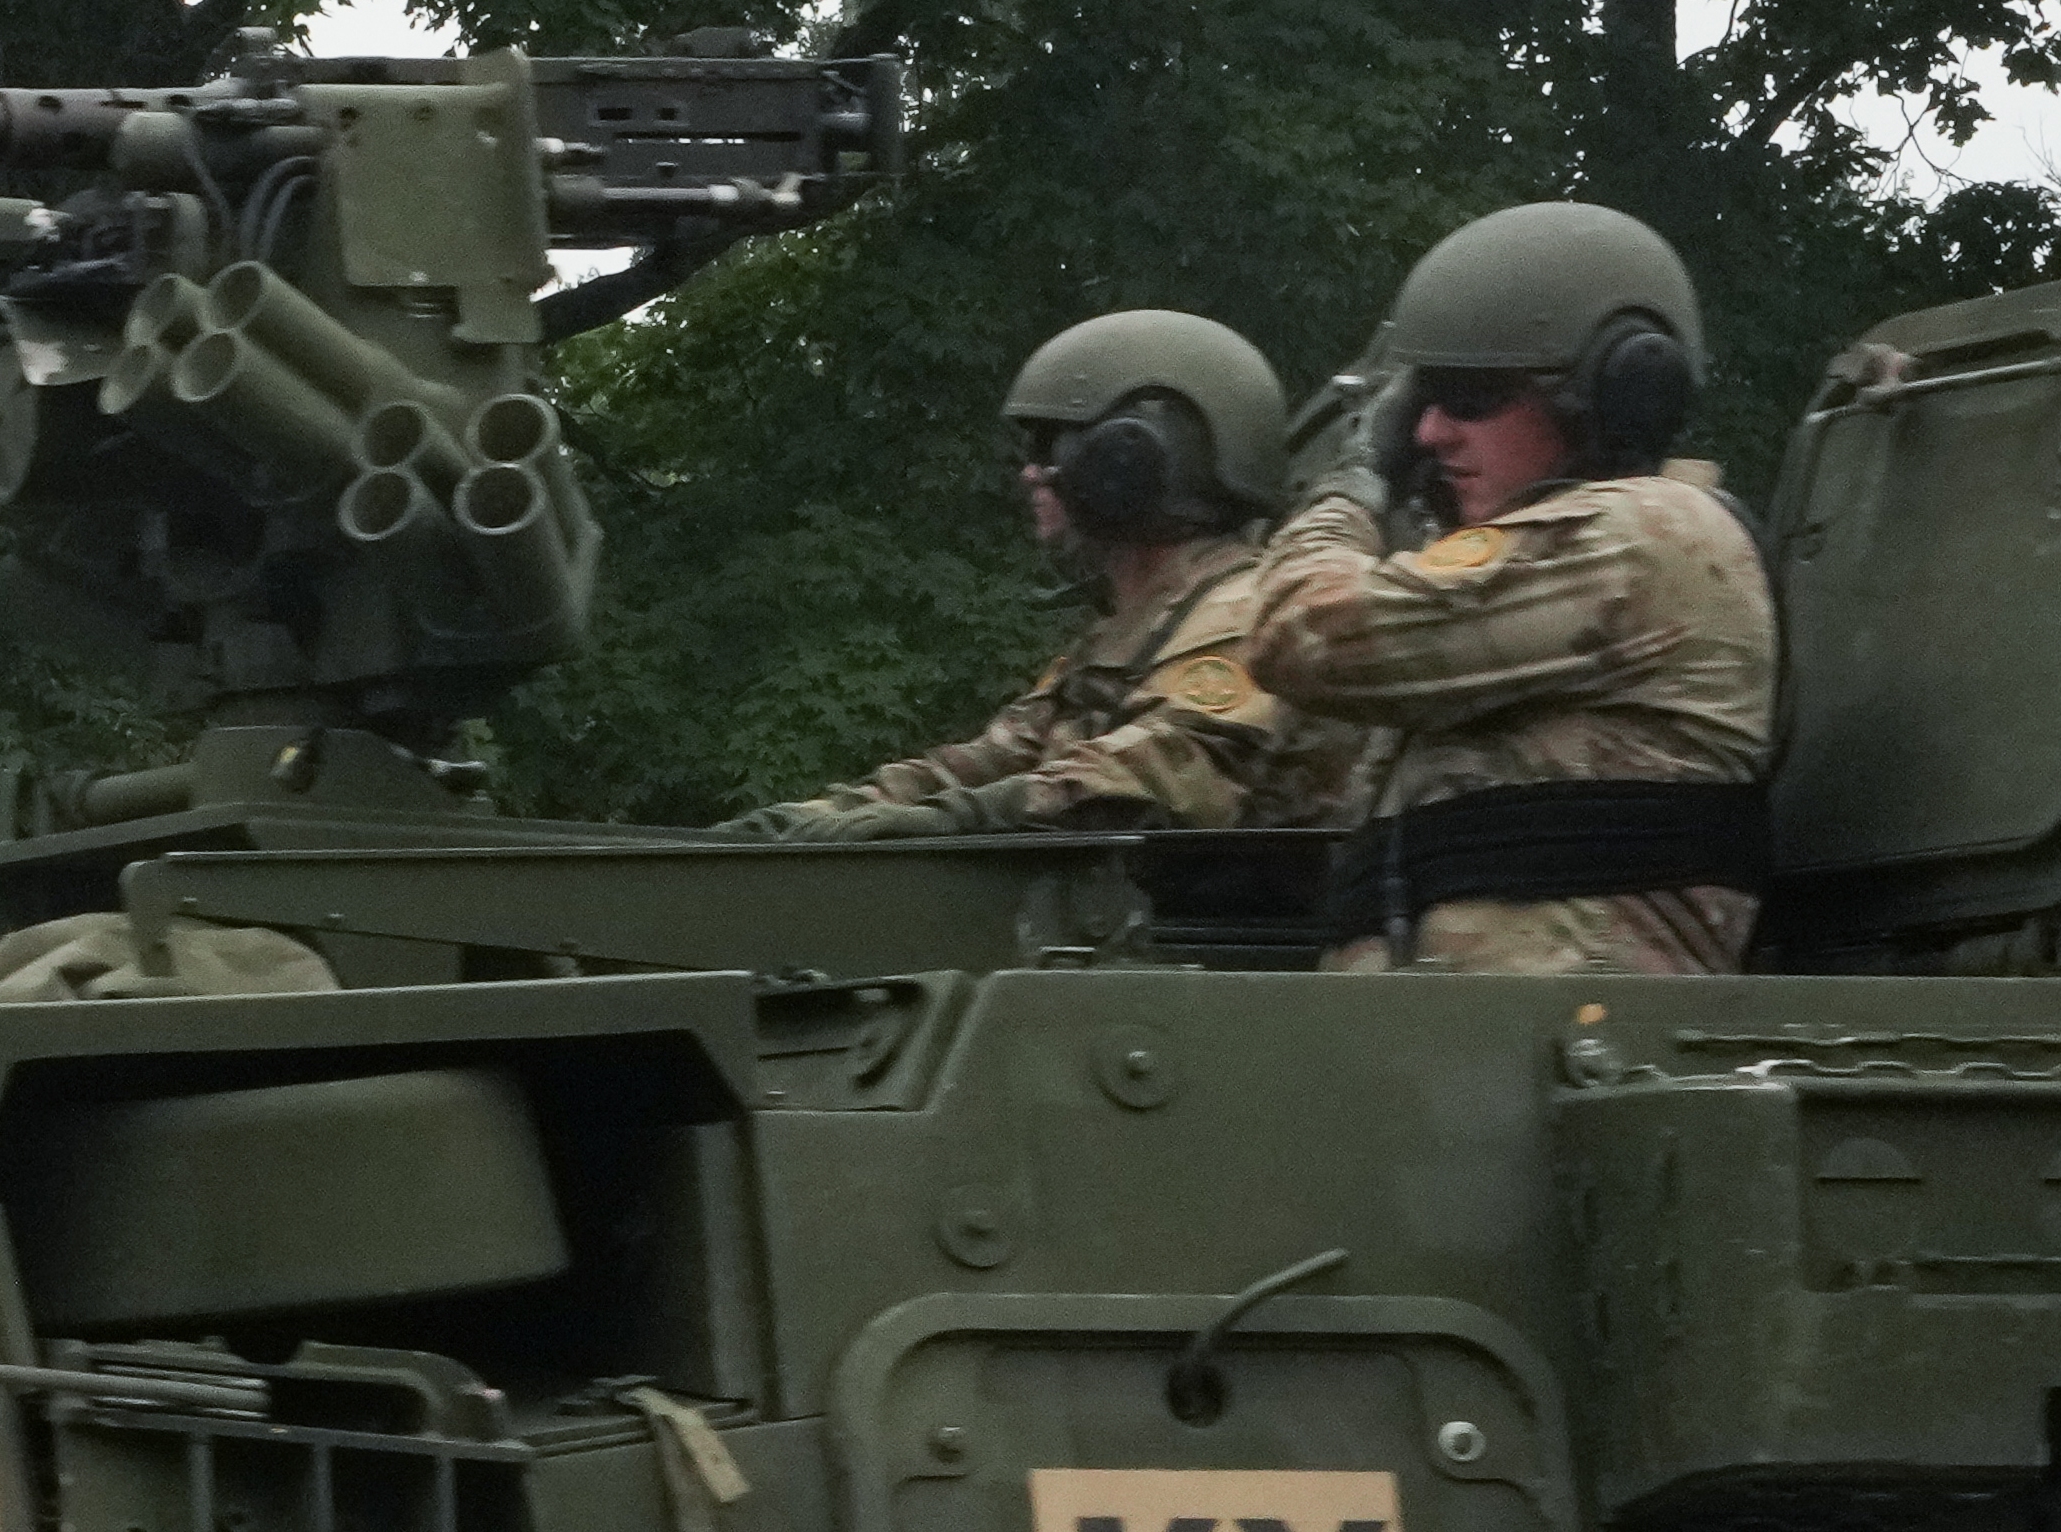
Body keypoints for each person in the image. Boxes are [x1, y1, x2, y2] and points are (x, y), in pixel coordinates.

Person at [1241, 198, 1777, 971]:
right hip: (1468, 1034)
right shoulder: (1536, 568)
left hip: (1566, 1035)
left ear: (1617, 389)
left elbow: (1299, 631)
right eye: (1421, 401)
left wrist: (1353, 484)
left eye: (1468, 395)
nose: (1427, 432)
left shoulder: (1643, 533)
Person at [754, 312, 1337, 835]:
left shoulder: (1249, 611)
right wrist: (810, 820)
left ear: (1138, 458)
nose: (1031, 474)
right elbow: (993, 759)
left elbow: (1159, 773)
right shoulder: (1127, 632)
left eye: (1053, 448)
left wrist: (960, 818)